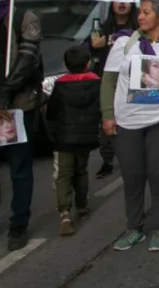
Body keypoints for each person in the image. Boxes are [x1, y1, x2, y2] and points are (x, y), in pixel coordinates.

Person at [101, 0, 159, 252]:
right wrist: (108, 115)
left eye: (146, 12)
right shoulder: (124, 44)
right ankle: (134, 227)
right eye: (139, 11)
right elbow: (108, 81)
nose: (139, 16)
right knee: (132, 175)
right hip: (127, 122)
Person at [0, 0, 43, 252]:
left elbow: (27, 59)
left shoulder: (24, 19)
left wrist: (4, 92)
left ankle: (19, 224)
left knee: (19, 168)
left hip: (15, 106)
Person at [46, 46, 101, 236]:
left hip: (64, 137)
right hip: (86, 137)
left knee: (63, 174)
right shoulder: (96, 83)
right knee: (81, 170)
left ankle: (64, 213)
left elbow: (52, 111)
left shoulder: (61, 86)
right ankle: (82, 206)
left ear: (65, 64)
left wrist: (52, 133)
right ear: (88, 63)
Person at [86, 2, 138, 179]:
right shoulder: (102, 27)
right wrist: (95, 45)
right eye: (118, 0)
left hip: (132, 80)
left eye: (126, 1)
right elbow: (85, 49)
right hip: (107, 79)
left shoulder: (139, 26)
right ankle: (107, 160)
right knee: (106, 118)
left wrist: (112, 40)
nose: (122, 4)